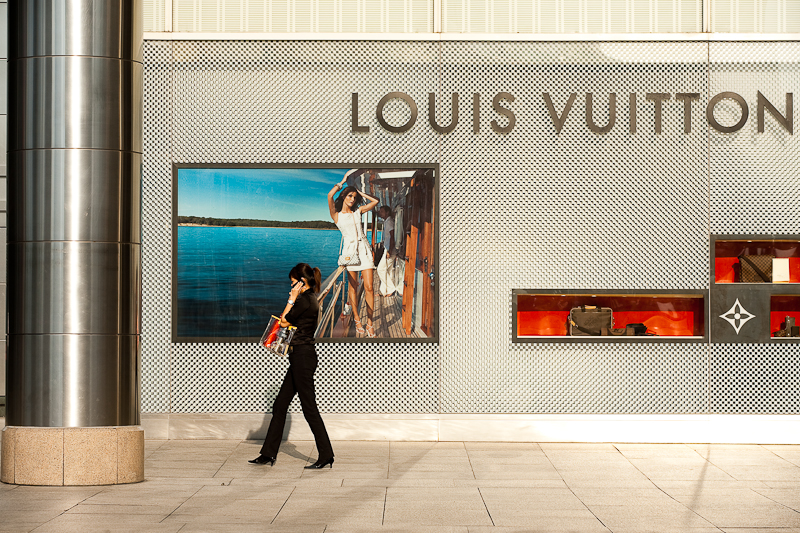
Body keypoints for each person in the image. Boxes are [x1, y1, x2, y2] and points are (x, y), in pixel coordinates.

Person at [249, 263, 335, 469]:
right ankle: (268, 453)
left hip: (303, 358)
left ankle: (326, 455)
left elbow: (284, 321)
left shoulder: (305, 300)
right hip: (299, 357)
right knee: (280, 405)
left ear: (301, 282)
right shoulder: (308, 298)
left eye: (292, 283)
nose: (290, 286)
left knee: (309, 408)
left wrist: (291, 298)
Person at [327, 177, 380, 337]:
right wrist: (341, 183)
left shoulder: (358, 211)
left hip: (364, 251)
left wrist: (360, 192)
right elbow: (330, 196)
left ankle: (370, 323)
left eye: (354, 197)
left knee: (369, 287)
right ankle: (357, 319)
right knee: (353, 287)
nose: (352, 199)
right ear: (344, 196)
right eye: (350, 196)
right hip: (350, 254)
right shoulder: (336, 215)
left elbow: (376, 201)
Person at [376, 206, 397, 297]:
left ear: (387, 212)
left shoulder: (389, 222)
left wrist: (390, 250)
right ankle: (383, 291)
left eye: (382, 211)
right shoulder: (387, 222)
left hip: (389, 249)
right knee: (386, 270)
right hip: (388, 248)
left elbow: (392, 236)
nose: (380, 213)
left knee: (380, 269)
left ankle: (391, 289)